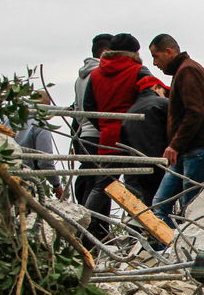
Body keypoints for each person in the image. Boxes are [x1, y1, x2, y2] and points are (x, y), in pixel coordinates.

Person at [148, 33, 204, 225]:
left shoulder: (188, 71)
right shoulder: (183, 72)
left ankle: (190, 251)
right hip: (188, 150)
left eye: (156, 56)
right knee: (161, 206)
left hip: (197, 149)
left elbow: (195, 112)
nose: (155, 63)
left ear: (169, 51)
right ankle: (170, 250)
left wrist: (175, 144)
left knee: (192, 211)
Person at [83, 33, 150, 241]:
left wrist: (105, 126)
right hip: (132, 137)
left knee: (101, 186)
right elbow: (150, 102)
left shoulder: (95, 75)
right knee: (134, 187)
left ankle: (82, 230)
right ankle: (136, 236)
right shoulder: (138, 71)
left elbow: (89, 107)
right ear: (135, 52)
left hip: (108, 137)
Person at [72, 33, 113, 208]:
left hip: (83, 134)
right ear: (106, 52)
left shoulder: (80, 78)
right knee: (102, 184)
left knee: (89, 180)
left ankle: (86, 224)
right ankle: (94, 227)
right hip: (97, 135)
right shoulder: (99, 74)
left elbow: (77, 109)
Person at [122, 76, 170, 206]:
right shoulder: (163, 104)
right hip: (161, 162)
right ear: (156, 87)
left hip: (138, 166)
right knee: (166, 203)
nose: (166, 96)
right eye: (164, 92)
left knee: (146, 206)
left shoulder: (130, 111)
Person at [13, 89, 64, 197]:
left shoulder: (12, 117)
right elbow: (45, 161)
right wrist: (56, 185)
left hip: (4, 170)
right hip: (25, 175)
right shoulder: (40, 125)